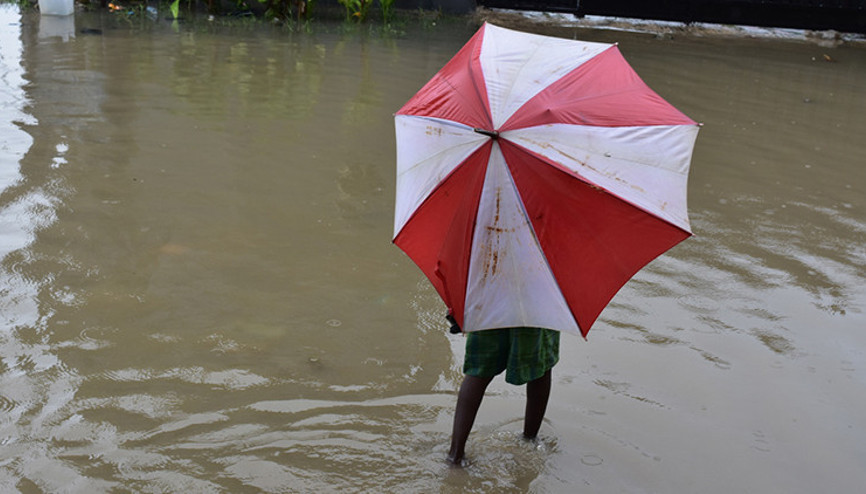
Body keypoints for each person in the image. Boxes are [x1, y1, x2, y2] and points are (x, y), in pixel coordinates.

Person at [446, 323, 560, 465]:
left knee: (478, 369)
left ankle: (455, 455)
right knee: (540, 363)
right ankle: (529, 440)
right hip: (536, 314)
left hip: (490, 311)